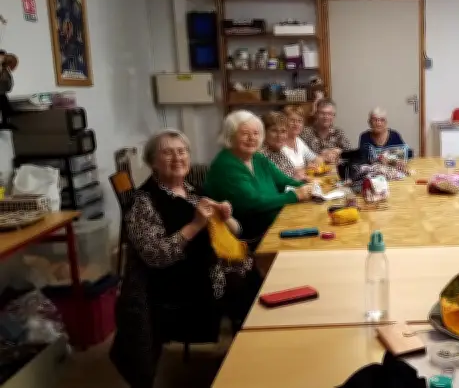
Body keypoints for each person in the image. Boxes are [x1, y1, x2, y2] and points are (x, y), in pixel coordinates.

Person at [110, 129, 262, 388]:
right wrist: (195, 225)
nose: (177, 158)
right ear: (152, 162)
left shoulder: (192, 190)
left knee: (260, 279)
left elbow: (235, 231)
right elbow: (156, 256)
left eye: (182, 151)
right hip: (177, 287)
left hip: (207, 269)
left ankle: (250, 354)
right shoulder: (143, 203)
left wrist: (226, 218)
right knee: (251, 290)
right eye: (167, 153)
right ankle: (245, 365)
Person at [204, 110, 314, 251]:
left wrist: (308, 186)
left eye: (256, 133)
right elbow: (253, 203)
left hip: (277, 225)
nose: (252, 138)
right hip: (253, 238)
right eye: (245, 134)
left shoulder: (257, 158)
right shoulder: (226, 165)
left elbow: (284, 181)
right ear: (230, 136)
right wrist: (295, 195)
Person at [300, 99, 352, 163]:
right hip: (313, 168)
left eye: (329, 114)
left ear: (334, 116)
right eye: (322, 113)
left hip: (334, 169)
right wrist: (322, 156)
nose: (326, 117)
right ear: (316, 114)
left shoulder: (338, 132)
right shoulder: (306, 133)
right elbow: (299, 157)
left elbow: (350, 153)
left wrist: (337, 151)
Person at [260, 111, 306, 180]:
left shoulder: (279, 151)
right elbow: (271, 185)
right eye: (274, 131)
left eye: (283, 131)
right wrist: (294, 180)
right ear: (264, 132)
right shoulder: (261, 157)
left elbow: (291, 172)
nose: (279, 136)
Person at [282, 104, 324, 172]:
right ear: (284, 122)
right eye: (292, 120)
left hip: (303, 178)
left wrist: (317, 163)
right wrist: (306, 168)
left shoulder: (299, 141)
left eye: (299, 121)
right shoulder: (279, 143)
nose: (296, 124)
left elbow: (317, 158)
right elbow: (282, 170)